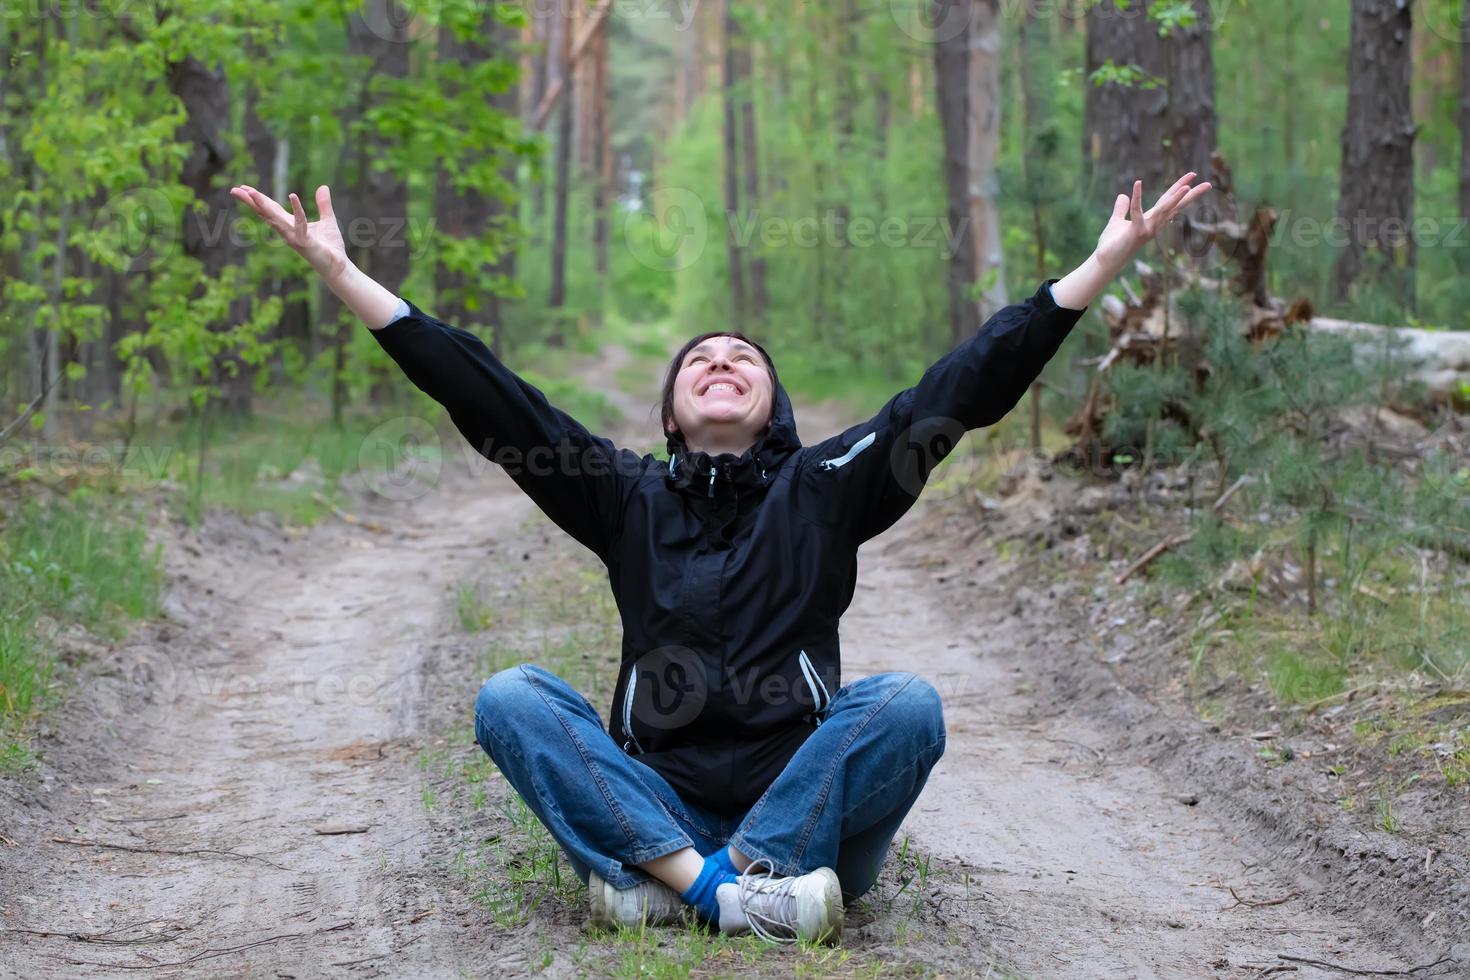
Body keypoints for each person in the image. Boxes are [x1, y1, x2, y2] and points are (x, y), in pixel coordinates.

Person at [231, 173, 1211, 944]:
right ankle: (728, 893)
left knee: (908, 701)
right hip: (656, 794)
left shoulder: (830, 483)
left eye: (742, 356)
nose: (720, 363)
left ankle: (688, 885)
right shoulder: (623, 494)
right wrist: (349, 281)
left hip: (810, 805)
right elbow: (494, 400)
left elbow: (959, 387)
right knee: (512, 696)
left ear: (775, 405)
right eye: (698, 359)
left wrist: (1092, 270)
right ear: (670, 413)